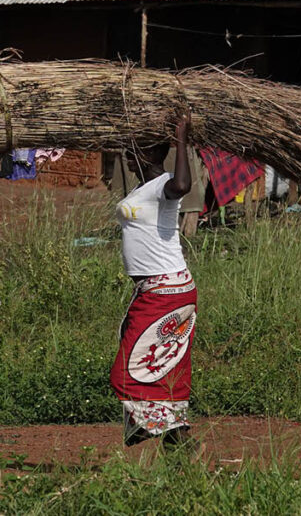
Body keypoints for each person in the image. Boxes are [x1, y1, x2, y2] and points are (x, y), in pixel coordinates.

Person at [110, 111, 197, 450]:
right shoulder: (145, 187)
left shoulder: (164, 184)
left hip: (167, 290)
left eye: (133, 151)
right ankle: (178, 445)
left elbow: (183, 186)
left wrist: (180, 137)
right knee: (160, 371)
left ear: (149, 153)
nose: (128, 157)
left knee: (130, 371)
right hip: (154, 290)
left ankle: (168, 433)